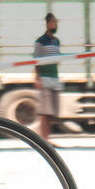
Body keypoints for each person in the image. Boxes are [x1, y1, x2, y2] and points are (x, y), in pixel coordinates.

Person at [33, 13, 61, 141]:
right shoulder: (40, 42)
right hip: (45, 79)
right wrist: (37, 78)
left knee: (51, 113)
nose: (56, 25)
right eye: (54, 22)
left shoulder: (56, 41)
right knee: (45, 112)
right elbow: (36, 61)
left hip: (54, 78)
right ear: (48, 23)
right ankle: (42, 139)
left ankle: (47, 139)